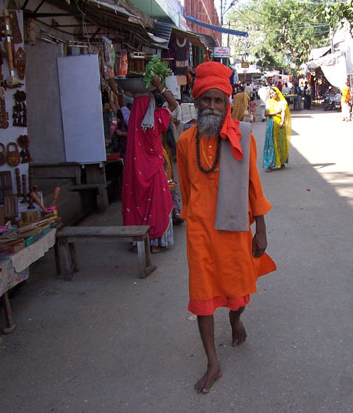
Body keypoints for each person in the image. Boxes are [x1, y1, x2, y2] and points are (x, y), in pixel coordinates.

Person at [176, 61, 276, 394]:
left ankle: (235, 319)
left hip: (234, 230)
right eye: (207, 100)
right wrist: (193, 224)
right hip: (200, 234)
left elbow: (253, 186)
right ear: (197, 101)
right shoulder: (185, 142)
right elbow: (187, 190)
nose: (213, 107)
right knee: (202, 296)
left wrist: (260, 228)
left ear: (228, 104)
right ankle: (212, 363)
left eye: (219, 101)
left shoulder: (241, 138)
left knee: (240, 287)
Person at [118, 75, 179, 252]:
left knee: (137, 204)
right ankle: (155, 243)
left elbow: (122, 106)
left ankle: (138, 241)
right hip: (153, 170)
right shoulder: (156, 119)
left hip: (134, 171)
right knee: (156, 204)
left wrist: (118, 90)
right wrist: (159, 86)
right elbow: (174, 105)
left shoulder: (131, 121)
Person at [263, 87, 292, 172]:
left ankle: (282, 161)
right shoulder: (269, 102)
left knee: (281, 142)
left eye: (273, 93)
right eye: (270, 94)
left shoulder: (282, 102)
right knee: (271, 143)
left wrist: (282, 122)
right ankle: (269, 164)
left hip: (280, 125)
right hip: (271, 124)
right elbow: (266, 113)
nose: (272, 95)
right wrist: (276, 113)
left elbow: (283, 112)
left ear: (277, 92)